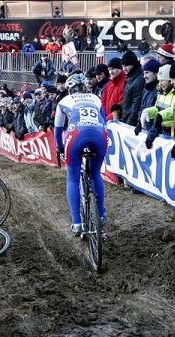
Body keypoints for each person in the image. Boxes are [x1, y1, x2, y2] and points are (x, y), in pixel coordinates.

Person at [54, 73, 107, 238]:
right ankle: (102, 215)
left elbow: (57, 131)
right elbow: (104, 121)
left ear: (70, 89)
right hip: (99, 134)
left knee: (72, 178)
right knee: (95, 174)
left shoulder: (64, 101)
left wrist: (60, 147)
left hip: (76, 134)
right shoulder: (95, 98)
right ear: (85, 87)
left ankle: (77, 223)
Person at [120, 51, 145, 126]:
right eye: (123, 66)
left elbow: (136, 105)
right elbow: (128, 101)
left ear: (133, 64)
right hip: (126, 119)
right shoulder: (130, 78)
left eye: (126, 66)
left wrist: (128, 125)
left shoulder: (139, 80)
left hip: (131, 124)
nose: (124, 69)